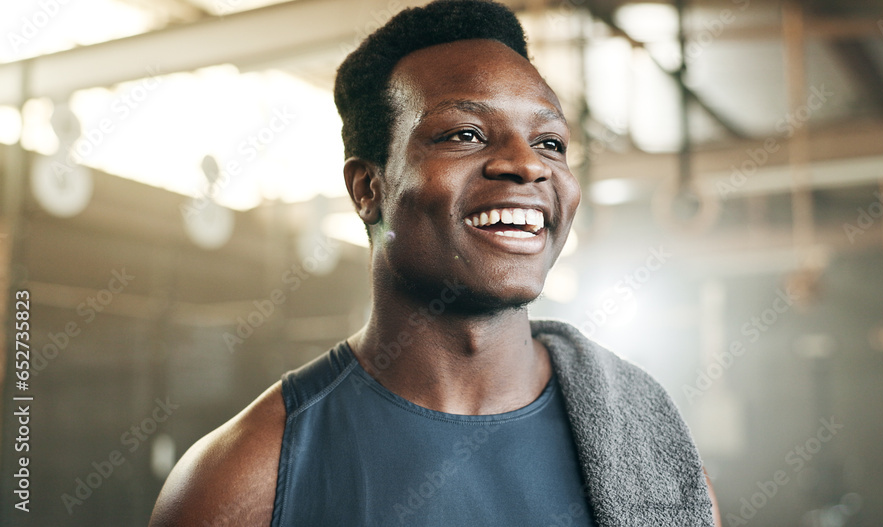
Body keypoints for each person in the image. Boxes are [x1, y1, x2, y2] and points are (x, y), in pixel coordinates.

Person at [149, 0, 720, 525]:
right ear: (368, 188)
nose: (528, 166)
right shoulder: (241, 481)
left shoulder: (652, 446)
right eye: (465, 134)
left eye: (550, 143)